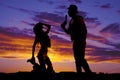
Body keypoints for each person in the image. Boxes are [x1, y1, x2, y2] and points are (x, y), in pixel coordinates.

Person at [61, 4, 92, 73]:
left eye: (70, 10)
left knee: (80, 59)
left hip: (80, 41)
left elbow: (83, 30)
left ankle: (89, 72)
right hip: (75, 41)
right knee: (77, 60)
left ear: (74, 11)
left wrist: (81, 39)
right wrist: (63, 27)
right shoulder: (71, 21)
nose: (68, 12)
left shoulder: (79, 18)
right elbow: (69, 32)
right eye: (68, 10)